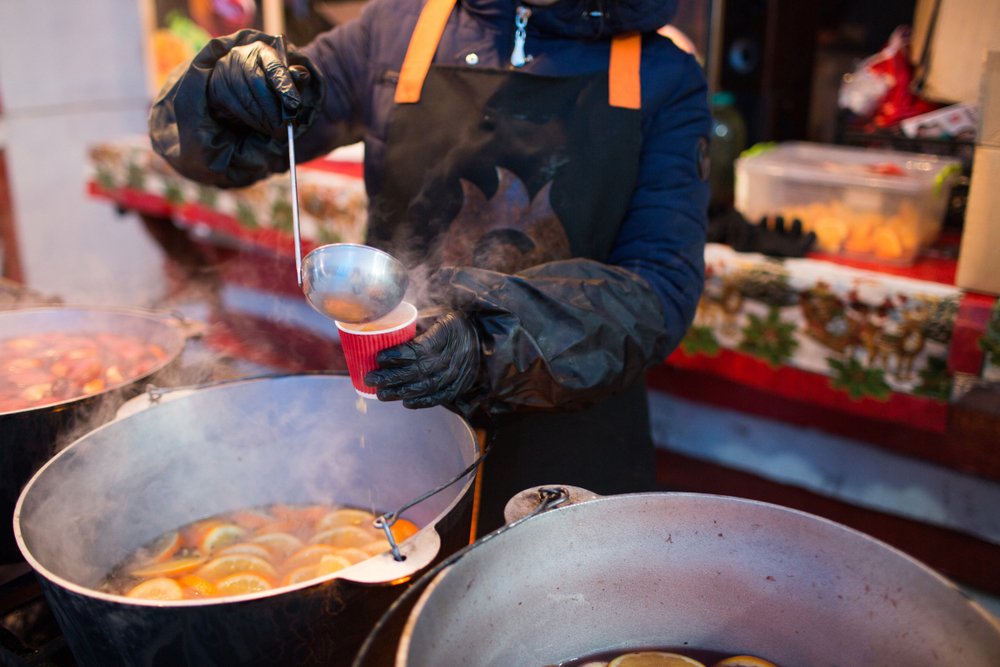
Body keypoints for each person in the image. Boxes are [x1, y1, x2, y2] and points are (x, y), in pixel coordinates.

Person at [149, 0, 711, 534]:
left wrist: (489, 337)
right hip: (402, 414)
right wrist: (222, 94)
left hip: (572, 431)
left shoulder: (662, 74)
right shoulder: (396, 32)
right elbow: (217, 147)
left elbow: (659, 289)